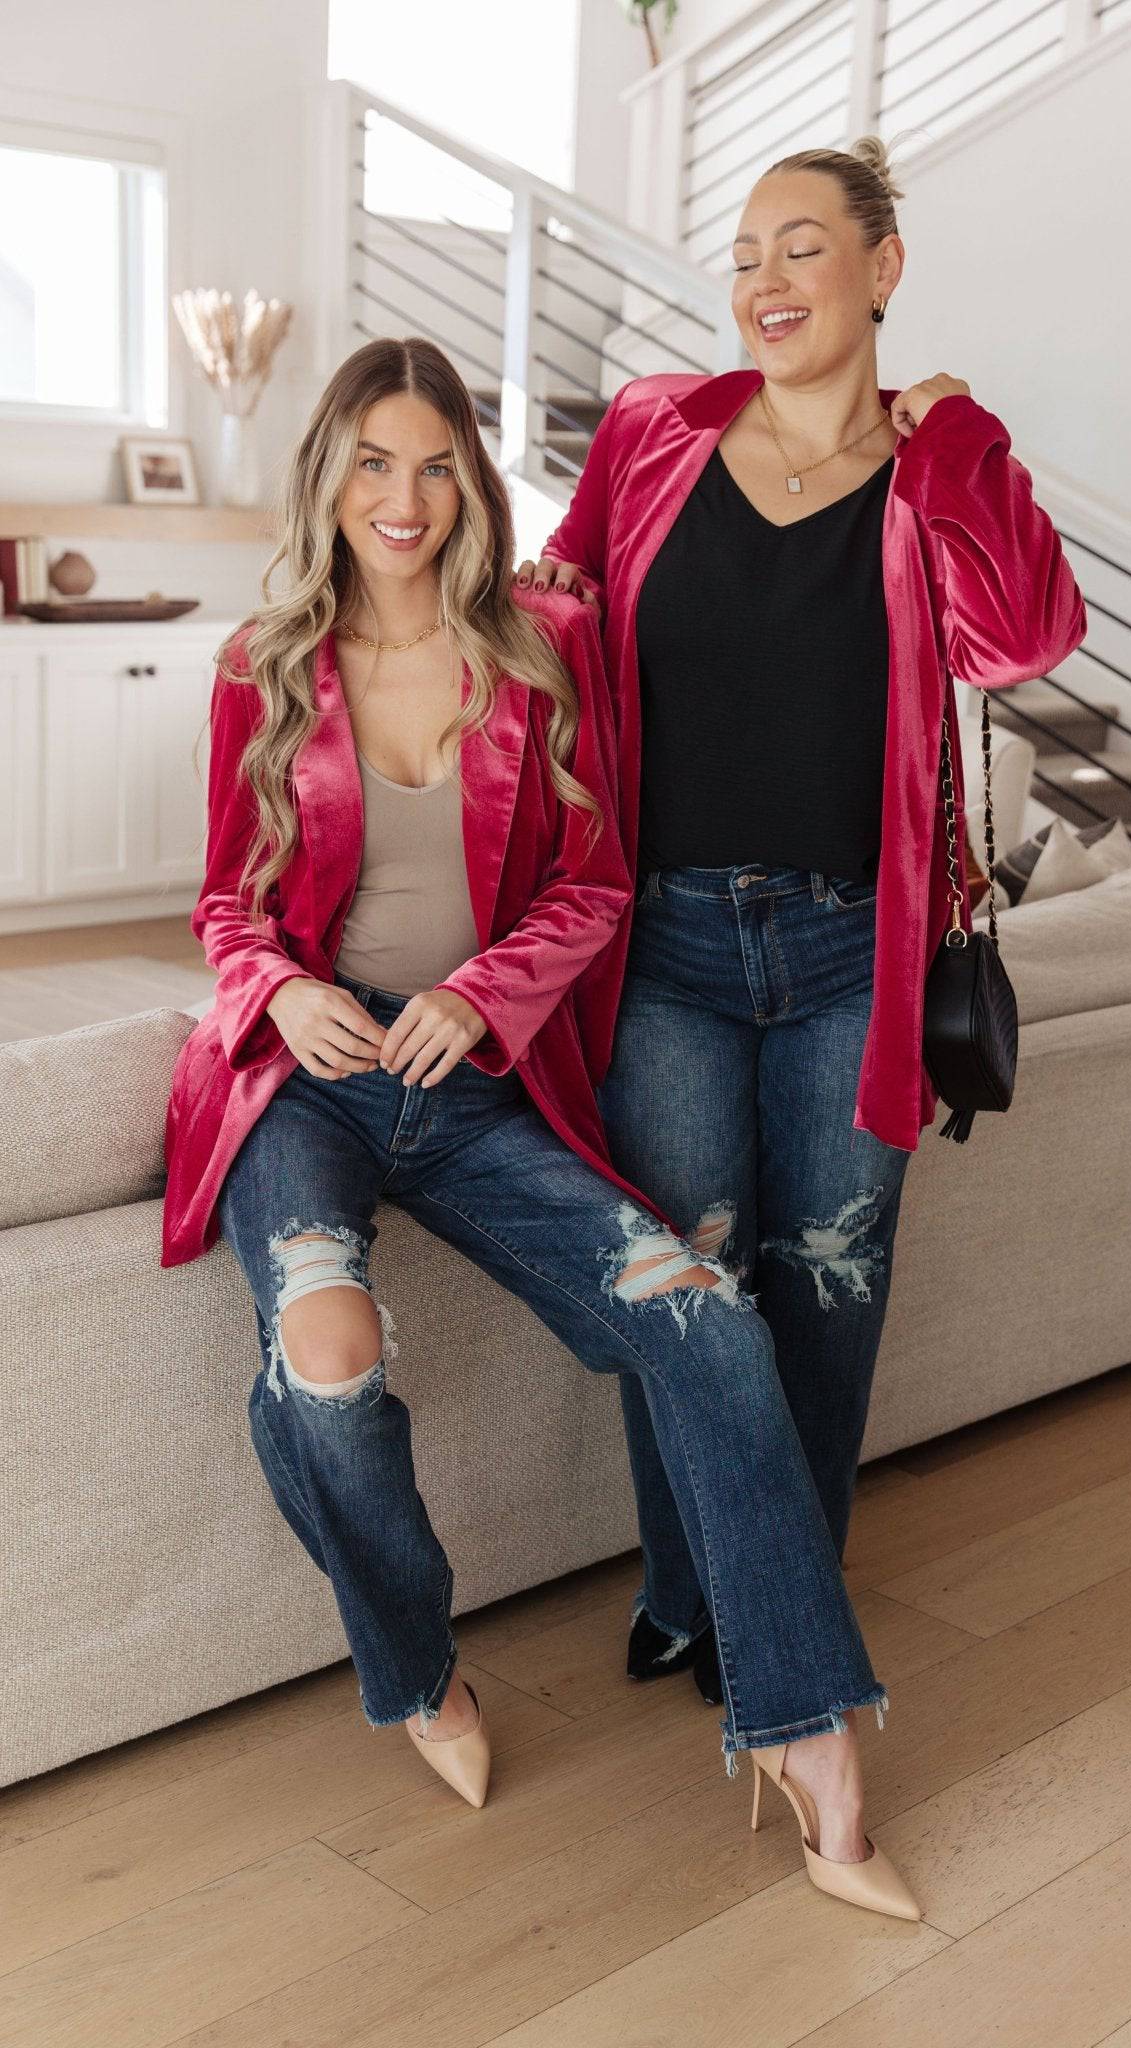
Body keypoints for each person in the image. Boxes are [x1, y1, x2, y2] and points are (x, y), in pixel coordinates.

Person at [159, 334, 923, 1919]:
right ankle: (417, 1665)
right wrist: (278, 990)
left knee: (707, 1318)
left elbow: (592, 885)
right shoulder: (262, 663)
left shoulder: (537, 647)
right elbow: (227, 901)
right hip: (303, 1083)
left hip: (477, 1086)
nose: (406, 496)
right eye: (375, 462)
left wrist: (481, 996)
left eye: (438, 464)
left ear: (474, 483)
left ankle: (806, 1729)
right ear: (330, 478)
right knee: (326, 1356)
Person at [518, 138, 1086, 1714]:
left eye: (802, 248)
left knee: (828, 1294)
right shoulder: (654, 428)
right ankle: (689, 1588)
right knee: (687, 1291)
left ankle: (783, 1605)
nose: (763, 282)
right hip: (666, 949)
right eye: (744, 255)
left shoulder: (929, 475)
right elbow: (559, 613)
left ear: (883, 268)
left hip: (854, 958)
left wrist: (958, 432)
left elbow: (1026, 638)